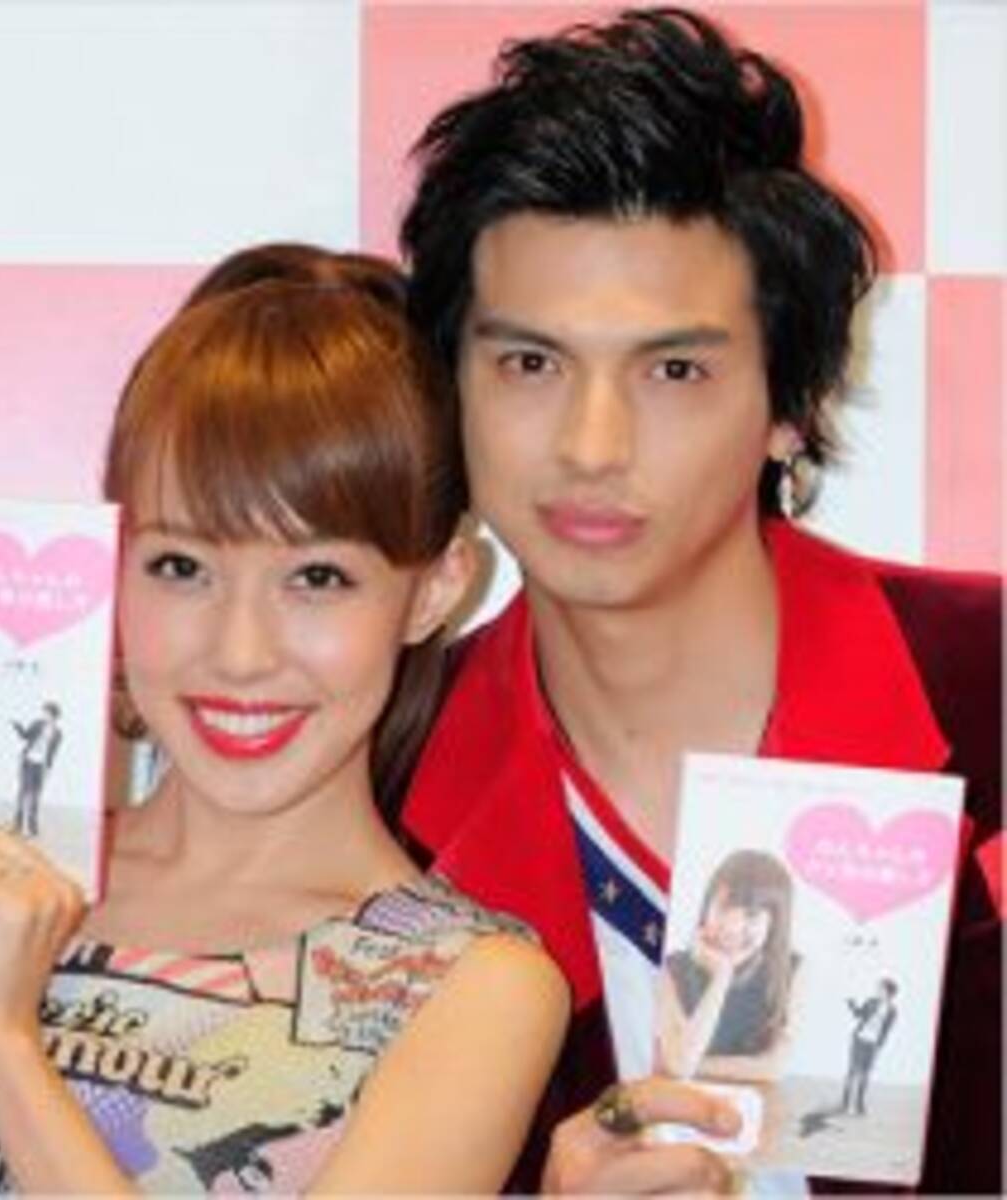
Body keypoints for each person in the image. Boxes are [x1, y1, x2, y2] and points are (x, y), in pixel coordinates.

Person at [0, 245, 569, 1195]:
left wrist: (2, 1044)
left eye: (318, 578)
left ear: (436, 588)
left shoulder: (468, 986)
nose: (240, 652)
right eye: (182, 567)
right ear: (112, 562)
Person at [395, 6, 1001, 1194]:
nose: (591, 445)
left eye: (674, 370)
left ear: (791, 406)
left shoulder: (983, 690)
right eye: (530, 363)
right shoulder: (379, 784)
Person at [656, 850, 800, 1082]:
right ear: (706, 906)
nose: (732, 927)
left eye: (751, 915)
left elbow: (773, 1068)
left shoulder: (792, 971)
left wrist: (688, 1064)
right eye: (723, 908)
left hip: (755, 1100)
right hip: (678, 1099)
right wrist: (721, 977)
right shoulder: (671, 969)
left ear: (775, 923)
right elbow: (680, 1066)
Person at [838, 978, 898, 1117]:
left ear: (888, 992)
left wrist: (879, 1046)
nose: (877, 990)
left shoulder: (892, 1011)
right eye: (878, 988)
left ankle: (859, 1104)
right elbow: (858, 1015)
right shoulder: (871, 1002)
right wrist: (851, 1004)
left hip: (873, 1044)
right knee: (852, 1071)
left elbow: (886, 1030)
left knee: (866, 1074)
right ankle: (845, 1104)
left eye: (880, 988)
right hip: (859, 1039)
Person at [11, 700, 63, 837]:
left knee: (35, 796)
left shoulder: (58, 734)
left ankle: (32, 828)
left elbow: (53, 753)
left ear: (53, 715)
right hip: (28, 762)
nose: (44, 714)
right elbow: (25, 736)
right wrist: (18, 727)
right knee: (23, 793)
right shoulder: (37, 724)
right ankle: (17, 825)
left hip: (41, 766)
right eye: (44, 712)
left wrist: (48, 769)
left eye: (46, 712)